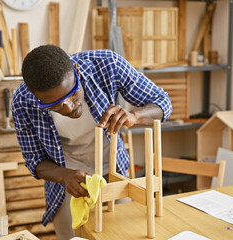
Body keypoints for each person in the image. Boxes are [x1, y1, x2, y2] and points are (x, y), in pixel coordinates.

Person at [11, 45, 172, 239]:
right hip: (69, 181)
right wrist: (65, 176)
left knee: (123, 234)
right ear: (36, 97)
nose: (69, 107)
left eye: (72, 94)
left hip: (114, 172)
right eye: (54, 105)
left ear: (77, 72)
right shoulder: (22, 101)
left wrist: (134, 116)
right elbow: (34, 161)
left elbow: (162, 102)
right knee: (73, 236)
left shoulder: (107, 64)